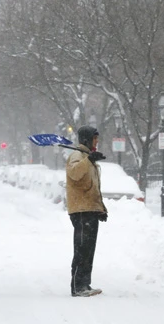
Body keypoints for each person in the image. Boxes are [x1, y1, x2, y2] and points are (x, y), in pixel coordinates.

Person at [65, 125, 108, 297]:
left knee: (89, 249)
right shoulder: (77, 155)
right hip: (81, 210)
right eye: (94, 138)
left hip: (90, 209)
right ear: (86, 139)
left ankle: (85, 284)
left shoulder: (87, 157)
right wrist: (88, 160)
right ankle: (77, 286)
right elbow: (74, 173)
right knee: (82, 248)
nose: (97, 141)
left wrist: (100, 208)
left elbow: (93, 187)